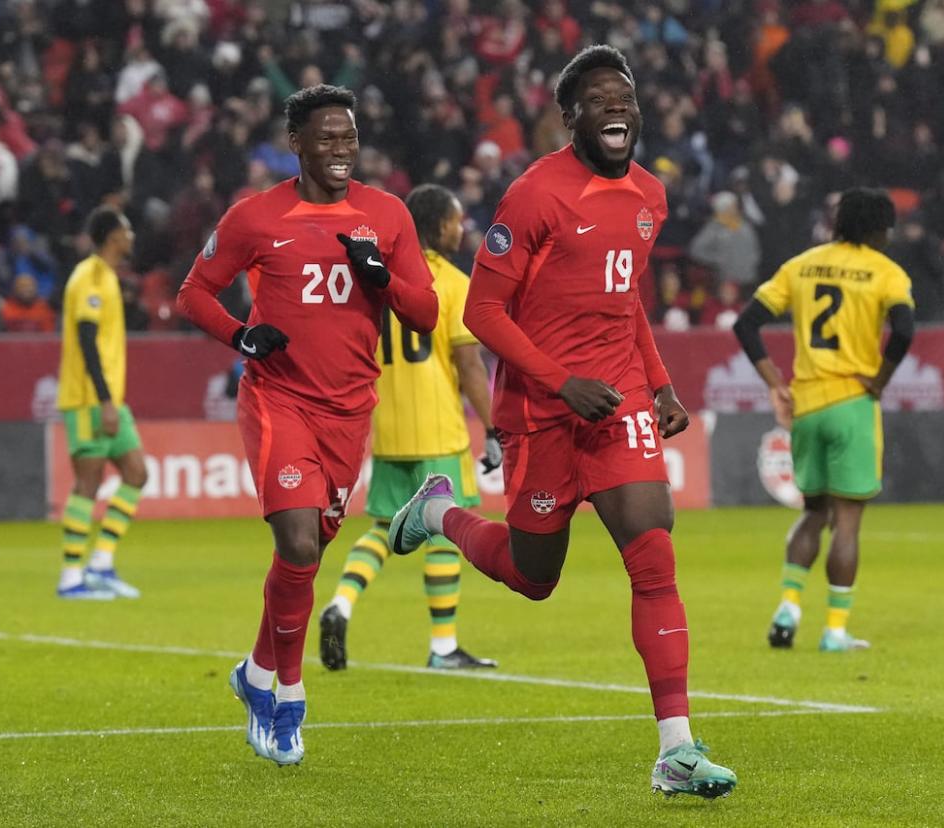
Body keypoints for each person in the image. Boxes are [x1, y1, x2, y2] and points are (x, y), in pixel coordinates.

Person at [386, 46, 736, 799]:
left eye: (627, 97)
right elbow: (482, 311)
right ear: (570, 117)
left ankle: (675, 750)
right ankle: (439, 512)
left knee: (653, 554)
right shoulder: (536, 194)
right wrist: (558, 382)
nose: (618, 108)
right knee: (531, 577)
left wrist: (660, 382)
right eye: (600, 100)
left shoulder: (650, 195)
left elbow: (626, 300)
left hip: (617, 407)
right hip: (543, 412)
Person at [176, 85, 438, 767]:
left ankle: (254, 671)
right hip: (279, 399)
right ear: (295, 143)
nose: (340, 149)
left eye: (348, 136)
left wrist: (380, 279)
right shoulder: (256, 216)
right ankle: (285, 700)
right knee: (296, 543)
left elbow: (427, 313)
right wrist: (241, 337)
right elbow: (192, 292)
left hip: (350, 411)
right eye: (325, 137)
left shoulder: (387, 215)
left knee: (309, 555)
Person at [318, 184, 499, 673]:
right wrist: (493, 427)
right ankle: (443, 647)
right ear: (440, 225)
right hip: (438, 427)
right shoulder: (452, 283)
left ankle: (340, 603)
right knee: (443, 532)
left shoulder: (379, 280)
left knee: (381, 529)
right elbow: (471, 366)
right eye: (457, 219)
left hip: (390, 427)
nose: (461, 228)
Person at [732, 187, 915, 653]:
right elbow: (905, 330)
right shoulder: (885, 272)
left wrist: (776, 382)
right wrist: (881, 379)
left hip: (807, 406)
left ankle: (789, 606)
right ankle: (834, 630)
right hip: (853, 402)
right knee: (847, 523)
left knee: (813, 512)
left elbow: (746, 323)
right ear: (877, 229)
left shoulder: (802, 265)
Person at [54, 207, 148, 600]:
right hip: (88, 399)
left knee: (136, 473)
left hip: (109, 399)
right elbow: (87, 339)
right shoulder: (90, 275)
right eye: (127, 229)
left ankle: (101, 563)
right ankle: (71, 577)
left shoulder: (106, 276)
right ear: (112, 236)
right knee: (88, 483)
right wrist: (106, 401)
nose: (131, 236)